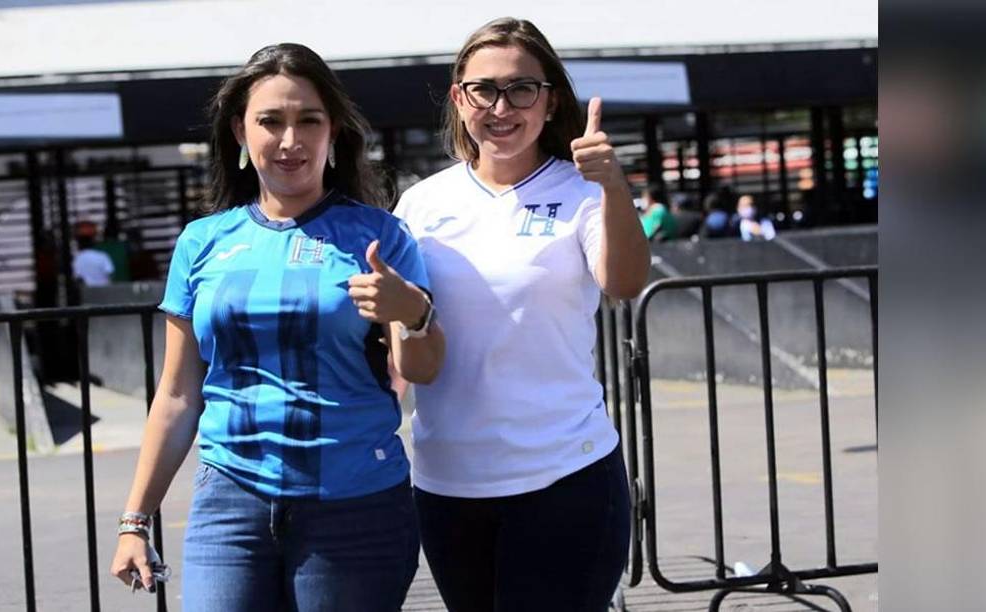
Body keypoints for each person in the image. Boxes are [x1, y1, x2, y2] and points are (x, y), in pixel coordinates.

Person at [109, 43, 444, 612]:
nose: (290, 140)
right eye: (270, 121)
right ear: (240, 132)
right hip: (229, 502)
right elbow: (177, 393)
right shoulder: (201, 242)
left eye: (308, 120)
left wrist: (411, 311)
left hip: (355, 505)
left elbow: (422, 369)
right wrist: (134, 521)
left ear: (332, 131)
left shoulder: (380, 238)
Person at [392, 17, 650, 612]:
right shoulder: (421, 204)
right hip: (449, 480)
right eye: (484, 89)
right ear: (459, 99)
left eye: (521, 89)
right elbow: (409, 343)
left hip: (565, 473)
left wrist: (614, 186)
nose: (501, 106)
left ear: (549, 99)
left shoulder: (583, 190)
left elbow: (625, 282)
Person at [72, 221, 115, 286]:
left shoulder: (77, 258)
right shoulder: (102, 256)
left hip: (87, 292)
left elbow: (78, 278)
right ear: (93, 242)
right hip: (104, 291)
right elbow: (110, 273)